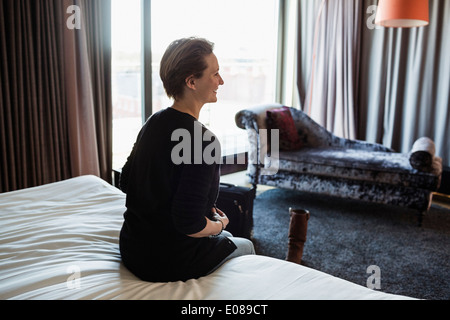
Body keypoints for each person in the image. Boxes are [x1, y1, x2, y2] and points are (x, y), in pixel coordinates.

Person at [119, 37, 255, 282]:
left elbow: (126, 183)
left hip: (132, 249)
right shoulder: (203, 140)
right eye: (214, 74)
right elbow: (189, 224)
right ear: (192, 81)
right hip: (167, 262)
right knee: (245, 245)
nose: (221, 81)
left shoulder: (153, 122)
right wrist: (221, 225)